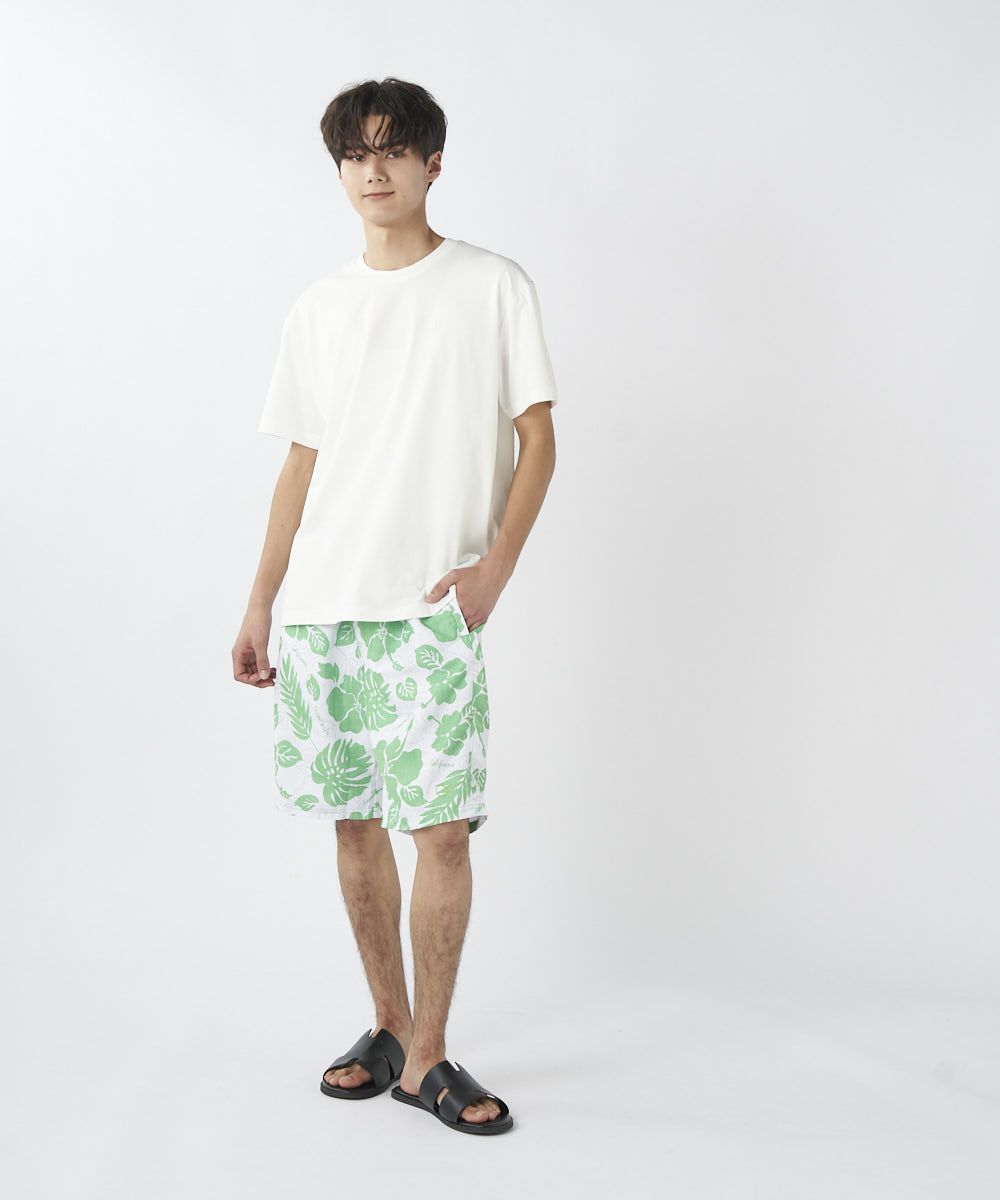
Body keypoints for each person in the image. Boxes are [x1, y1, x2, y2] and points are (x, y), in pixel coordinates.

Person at [232, 77, 558, 1136]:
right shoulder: (318, 307)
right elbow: (301, 463)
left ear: (431, 163)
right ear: (340, 171)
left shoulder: (492, 286)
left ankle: (428, 1057)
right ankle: (386, 1023)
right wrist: (260, 602)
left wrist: (494, 571)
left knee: (444, 833)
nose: (373, 170)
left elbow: (538, 439)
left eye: (393, 149)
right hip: (324, 608)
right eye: (355, 154)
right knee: (355, 823)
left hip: (429, 611)